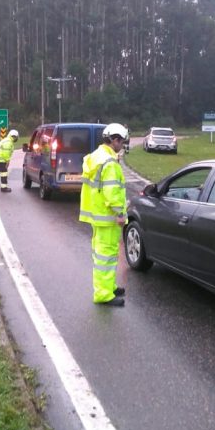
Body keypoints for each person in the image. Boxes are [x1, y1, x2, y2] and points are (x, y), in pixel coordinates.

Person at [79, 122, 129, 307]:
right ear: (114, 140)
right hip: (108, 217)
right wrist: (121, 213)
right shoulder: (109, 163)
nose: (122, 145)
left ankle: (109, 286)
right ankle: (103, 294)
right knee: (105, 256)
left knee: (104, 254)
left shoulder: (97, 156)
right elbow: (112, 193)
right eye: (121, 141)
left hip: (98, 214)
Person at [0, 129, 19, 193]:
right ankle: (3, 188)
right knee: (4, 172)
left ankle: (3, 186)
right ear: (15, 137)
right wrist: (7, 161)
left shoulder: (8, 140)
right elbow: (6, 153)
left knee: (3, 172)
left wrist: (7, 161)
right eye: (16, 137)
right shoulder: (8, 142)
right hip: (0, 158)